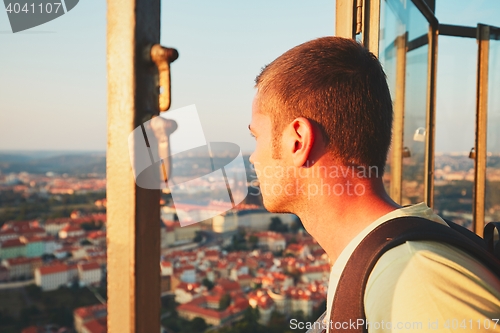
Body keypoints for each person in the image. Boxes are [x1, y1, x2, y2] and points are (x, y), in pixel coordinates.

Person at [248, 36, 500, 333]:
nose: (253, 157)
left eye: (256, 137)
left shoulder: (412, 278)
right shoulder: (387, 264)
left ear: (298, 142)